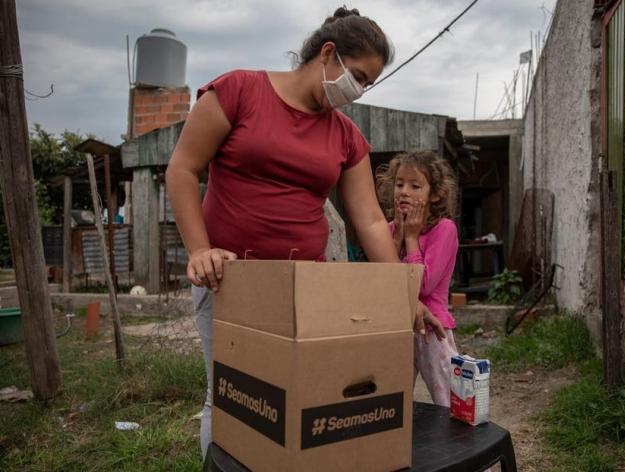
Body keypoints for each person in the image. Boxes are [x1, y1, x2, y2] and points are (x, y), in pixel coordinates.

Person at [165, 7, 444, 457]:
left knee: (304, 393)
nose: (358, 91)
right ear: (327, 54)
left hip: (306, 286)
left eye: (369, 84)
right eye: (357, 76)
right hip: (229, 279)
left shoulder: (346, 135)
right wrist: (199, 250)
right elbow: (182, 169)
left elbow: (370, 219)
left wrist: (403, 293)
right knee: (233, 394)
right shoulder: (238, 90)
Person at [376, 150, 460, 407]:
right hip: (397, 326)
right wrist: (398, 238)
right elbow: (381, 280)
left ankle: (457, 444)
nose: (404, 191)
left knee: (448, 398)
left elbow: (423, 286)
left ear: (434, 194)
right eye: (399, 184)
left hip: (431, 328)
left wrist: (411, 240)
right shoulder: (390, 229)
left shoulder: (444, 229)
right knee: (392, 398)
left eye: (415, 186)